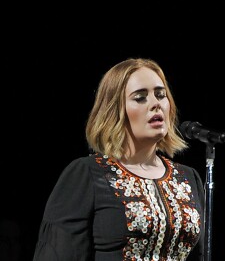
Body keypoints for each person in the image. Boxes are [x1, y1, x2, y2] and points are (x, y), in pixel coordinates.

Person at [32, 57, 205, 261]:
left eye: (161, 95)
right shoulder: (87, 174)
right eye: (140, 97)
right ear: (115, 111)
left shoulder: (187, 178)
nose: (155, 104)